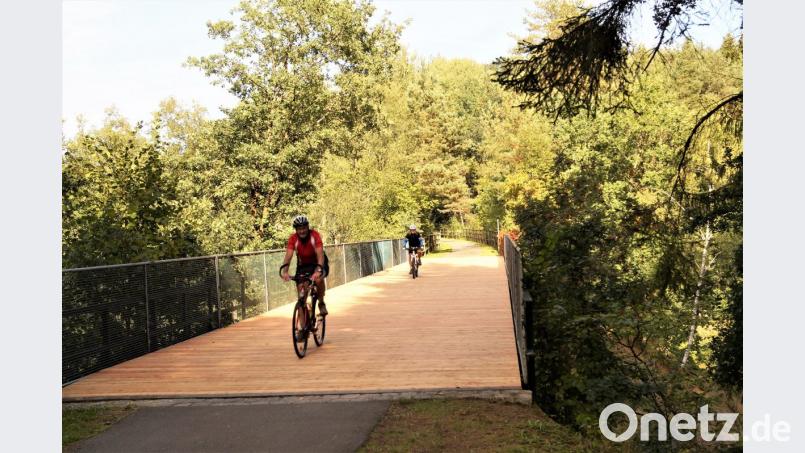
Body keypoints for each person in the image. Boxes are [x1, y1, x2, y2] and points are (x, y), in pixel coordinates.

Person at [280, 215, 329, 316]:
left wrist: (318, 270)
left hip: (318, 262)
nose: (302, 231)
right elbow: (288, 256)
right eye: (299, 229)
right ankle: (302, 329)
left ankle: (321, 302)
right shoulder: (293, 239)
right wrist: (285, 271)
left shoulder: (315, 235)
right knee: (301, 295)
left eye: (304, 228)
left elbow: (320, 255)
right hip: (303, 265)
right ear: (296, 230)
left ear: (308, 227)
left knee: (318, 279)